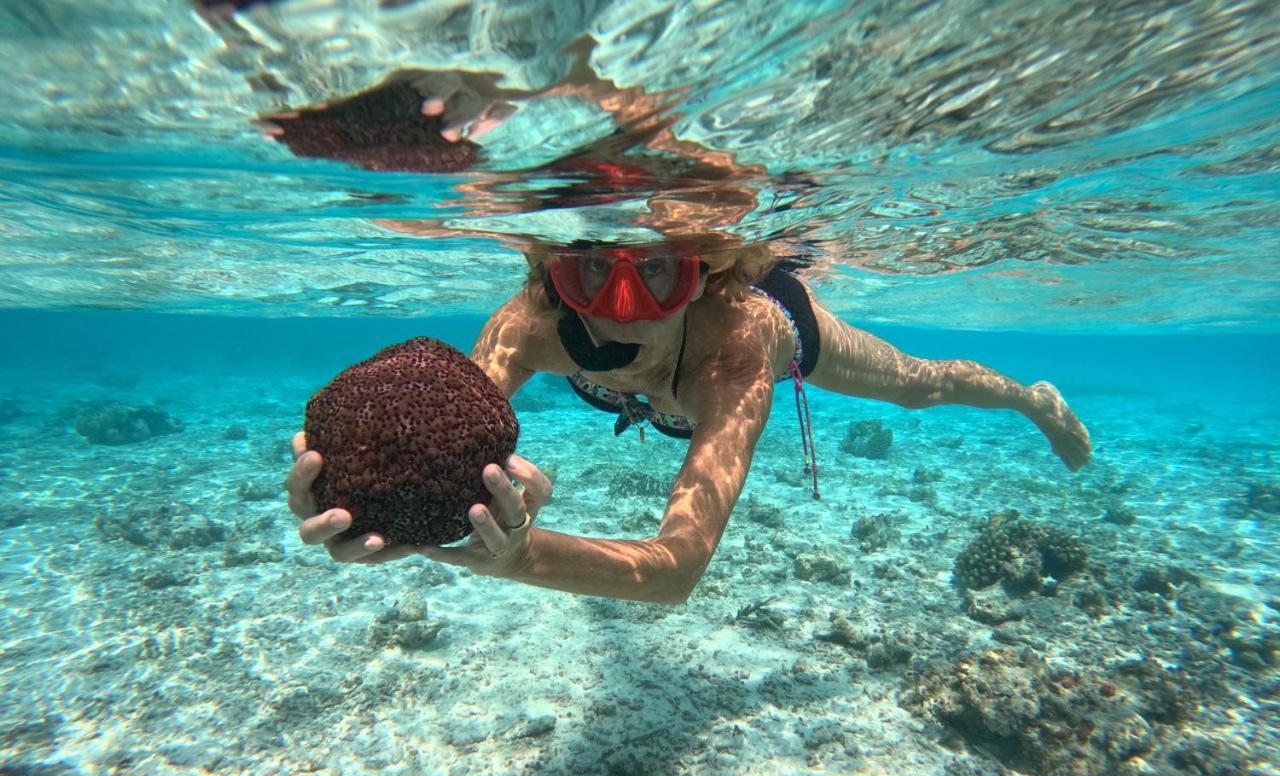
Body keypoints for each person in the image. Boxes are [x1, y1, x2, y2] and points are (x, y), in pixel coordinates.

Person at [286, 241, 1091, 604]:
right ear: (554, 270)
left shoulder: (736, 356)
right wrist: (378, 501)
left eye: (659, 271)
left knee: (920, 386)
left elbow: (674, 571)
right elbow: (435, 427)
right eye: (593, 265)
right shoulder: (528, 325)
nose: (620, 309)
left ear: (699, 275)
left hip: (783, 329)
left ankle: (1032, 398)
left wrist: (521, 557)